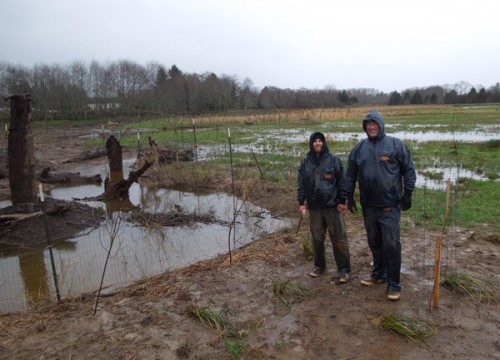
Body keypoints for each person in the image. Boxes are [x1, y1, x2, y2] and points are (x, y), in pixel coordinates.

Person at [345, 110, 416, 301]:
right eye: (368, 125)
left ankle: (394, 283)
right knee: (374, 242)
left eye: (374, 123)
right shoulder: (359, 149)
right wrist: (349, 196)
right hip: (369, 207)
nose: (371, 127)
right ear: (365, 127)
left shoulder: (395, 145)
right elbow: (350, 173)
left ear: (381, 124)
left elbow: (408, 169)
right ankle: (378, 274)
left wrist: (408, 194)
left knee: (391, 245)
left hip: (390, 207)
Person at [297, 132, 351, 283]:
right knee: (317, 239)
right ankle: (319, 266)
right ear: (311, 144)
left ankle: (344, 270)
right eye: (315, 141)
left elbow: (342, 182)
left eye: (320, 141)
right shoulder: (305, 163)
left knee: (339, 239)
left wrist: (342, 200)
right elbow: (300, 184)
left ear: (324, 143)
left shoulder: (334, 160)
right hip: (314, 208)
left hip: (333, 208)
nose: (318, 143)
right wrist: (301, 203)